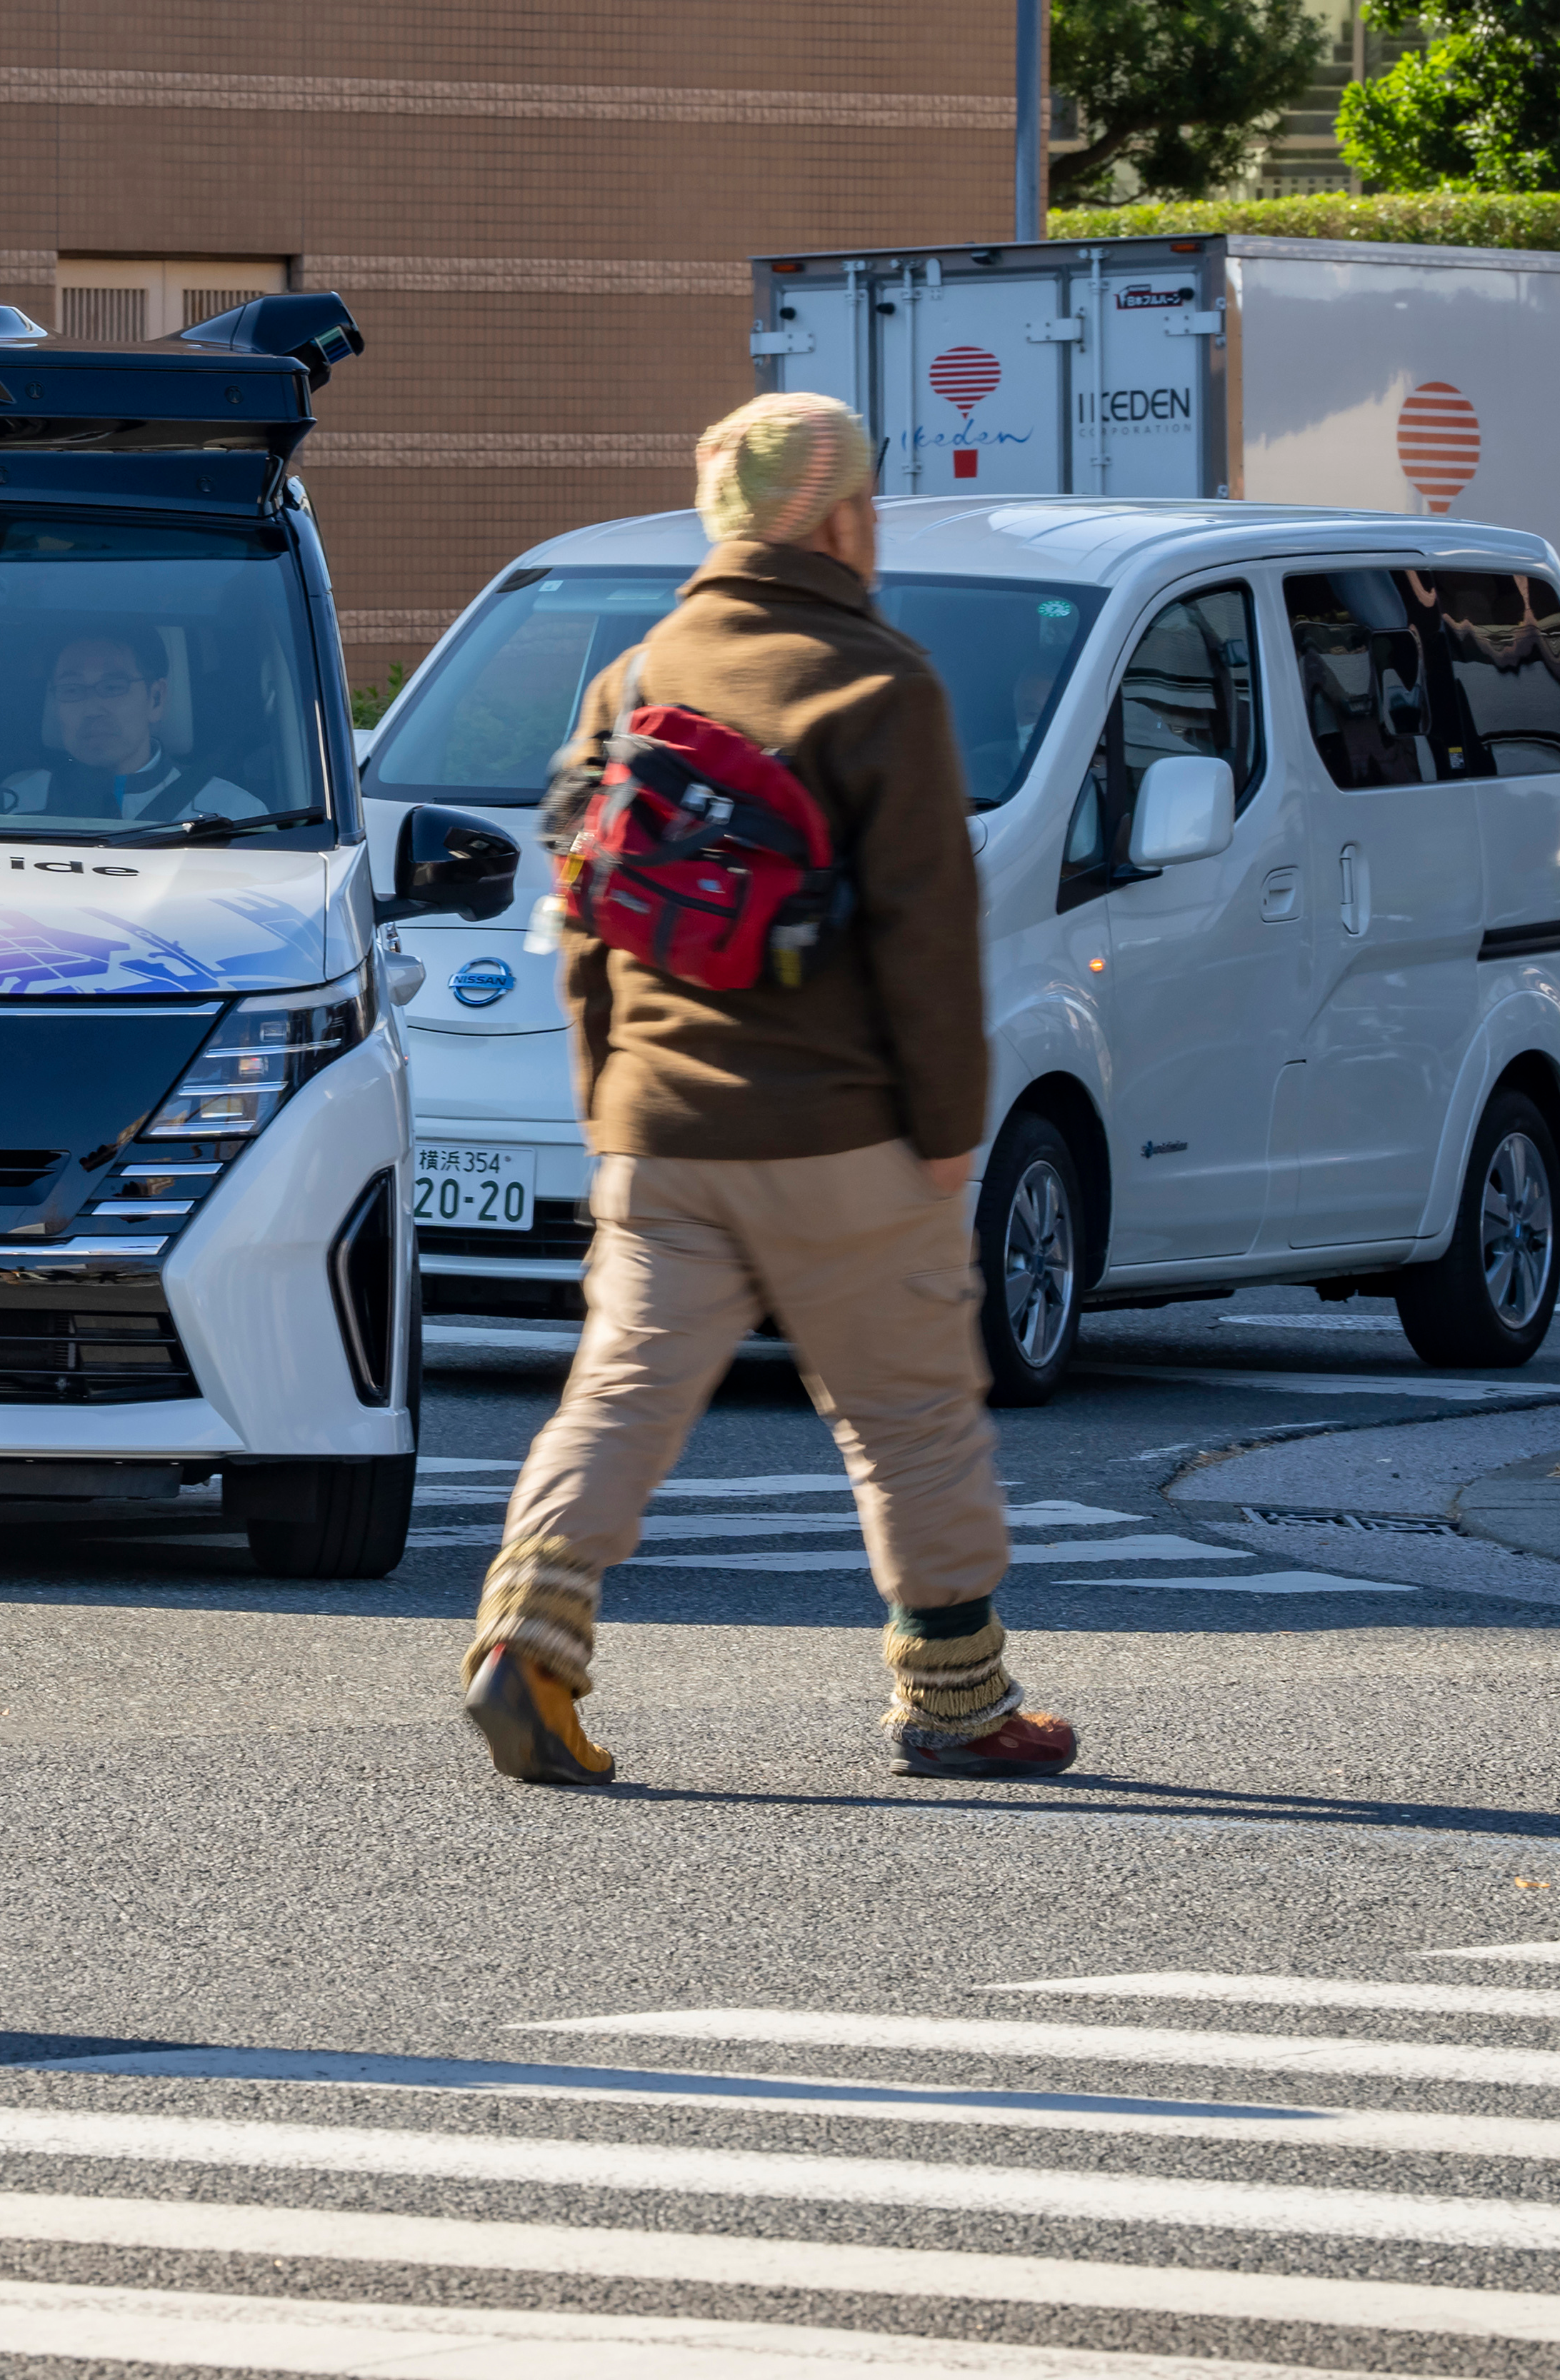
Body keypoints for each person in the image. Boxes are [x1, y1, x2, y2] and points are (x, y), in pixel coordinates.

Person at [461, 389, 1080, 1788]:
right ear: (842, 515)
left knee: (617, 1396)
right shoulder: (882, 683)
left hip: (660, 1129)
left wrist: (604, 1090)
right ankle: (958, 1698)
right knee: (912, 1414)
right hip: (840, 1133)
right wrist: (946, 1131)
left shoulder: (636, 675)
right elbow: (927, 936)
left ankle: (528, 1641)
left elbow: (584, 906)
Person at [3, 628, 255, 819]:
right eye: (72, 690)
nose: (92, 709)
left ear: (156, 699)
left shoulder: (233, 815)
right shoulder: (10, 806)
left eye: (113, 687)